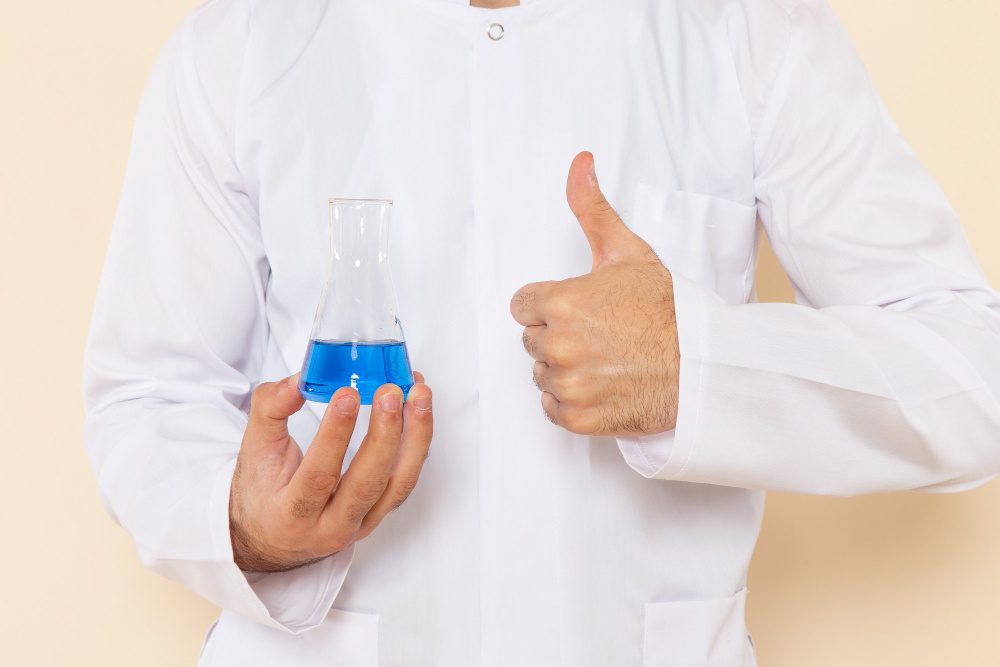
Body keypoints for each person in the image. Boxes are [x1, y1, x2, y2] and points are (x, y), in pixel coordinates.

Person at [83, 0, 1000, 664]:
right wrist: (244, 524)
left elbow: (972, 370)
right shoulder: (240, 46)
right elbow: (145, 396)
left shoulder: (752, 34)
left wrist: (700, 366)